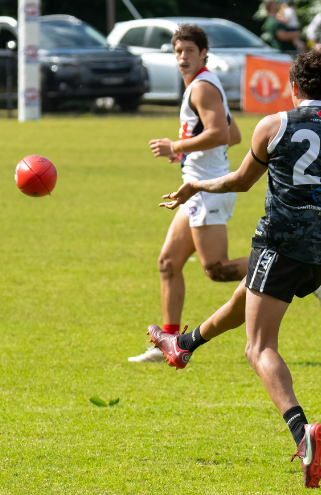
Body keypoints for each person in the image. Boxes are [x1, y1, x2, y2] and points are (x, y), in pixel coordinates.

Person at [147, 48, 321, 488]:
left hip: (280, 245)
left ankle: (302, 432)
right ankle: (183, 345)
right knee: (244, 299)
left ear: (293, 87)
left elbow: (239, 181)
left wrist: (195, 184)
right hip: (320, 254)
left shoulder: (274, 125)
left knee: (258, 347)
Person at [129, 24, 246, 363]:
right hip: (196, 188)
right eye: (178, 51)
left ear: (203, 53)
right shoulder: (203, 84)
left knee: (217, 268)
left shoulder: (202, 87)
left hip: (207, 189)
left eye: (189, 51)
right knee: (168, 263)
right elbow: (234, 135)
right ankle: (166, 342)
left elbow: (220, 133)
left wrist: (176, 146)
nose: (182, 57)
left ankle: (293, 271)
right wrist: (189, 151)